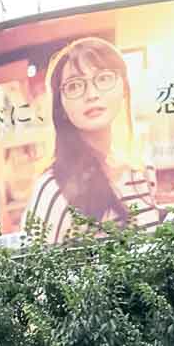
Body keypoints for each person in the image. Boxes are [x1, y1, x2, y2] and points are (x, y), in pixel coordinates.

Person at [25, 35, 159, 246]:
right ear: (61, 108)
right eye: (75, 86)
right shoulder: (53, 189)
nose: (92, 94)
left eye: (104, 78)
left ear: (124, 88)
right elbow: (31, 273)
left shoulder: (141, 170)